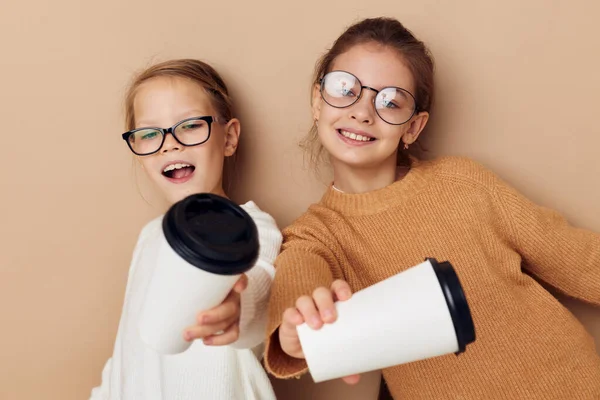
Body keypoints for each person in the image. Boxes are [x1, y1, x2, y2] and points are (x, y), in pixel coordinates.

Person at [264, 17, 600, 399]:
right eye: (345, 89)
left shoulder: (463, 182)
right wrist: (295, 329)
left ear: (413, 127)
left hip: (574, 384)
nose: (362, 112)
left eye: (390, 101)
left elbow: (578, 258)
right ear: (316, 101)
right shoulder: (315, 234)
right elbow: (298, 281)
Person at [90, 59, 281, 400]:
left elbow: (258, 289)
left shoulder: (250, 227)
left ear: (229, 138)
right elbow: (128, 350)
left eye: (190, 125)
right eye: (149, 133)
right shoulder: (150, 237)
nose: (170, 144)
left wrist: (237, 311)